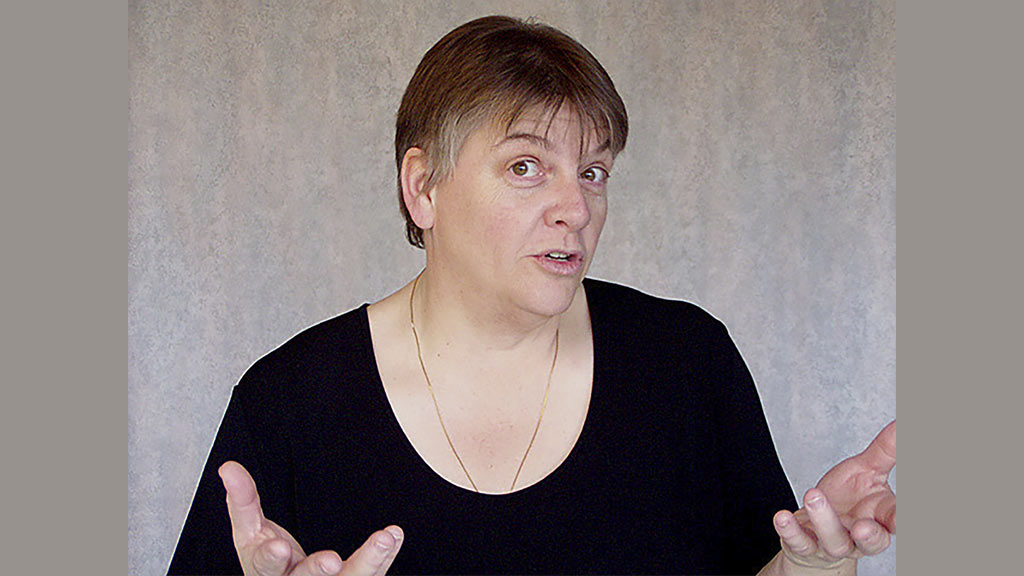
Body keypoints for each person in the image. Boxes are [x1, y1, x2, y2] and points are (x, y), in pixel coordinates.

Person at [168, 15, 895, 576]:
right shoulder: (290, 403)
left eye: (594, 172)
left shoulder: (687, 365)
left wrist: (810, 565)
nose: (575, 209)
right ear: (422, 187)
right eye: (525, 166)